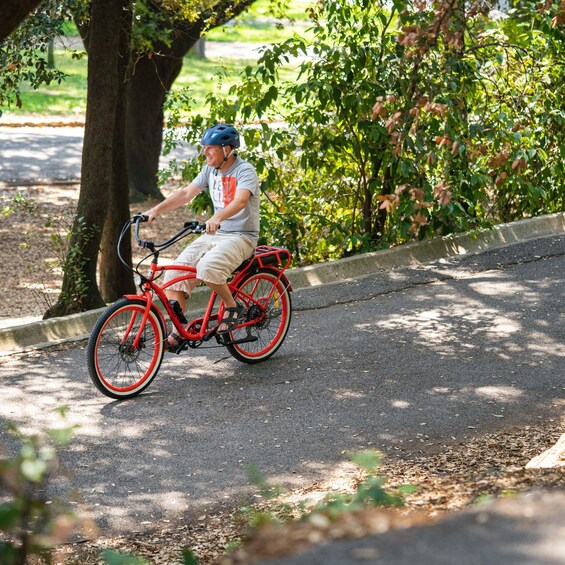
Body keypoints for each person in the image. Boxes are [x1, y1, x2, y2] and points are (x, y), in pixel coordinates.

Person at [143, 124, 260, 351]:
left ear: (227, 149)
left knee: (208, 267)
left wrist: (217, 218)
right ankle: (180, 332)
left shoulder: (245, 171)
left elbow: (240, 201)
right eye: (204, 148)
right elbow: (186, 193)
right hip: (215, 234)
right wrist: (155, 211)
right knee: (175, 272)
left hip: (242, 237)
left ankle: (231, 306)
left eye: (211, 148)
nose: (205, 152)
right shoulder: (210, 170)